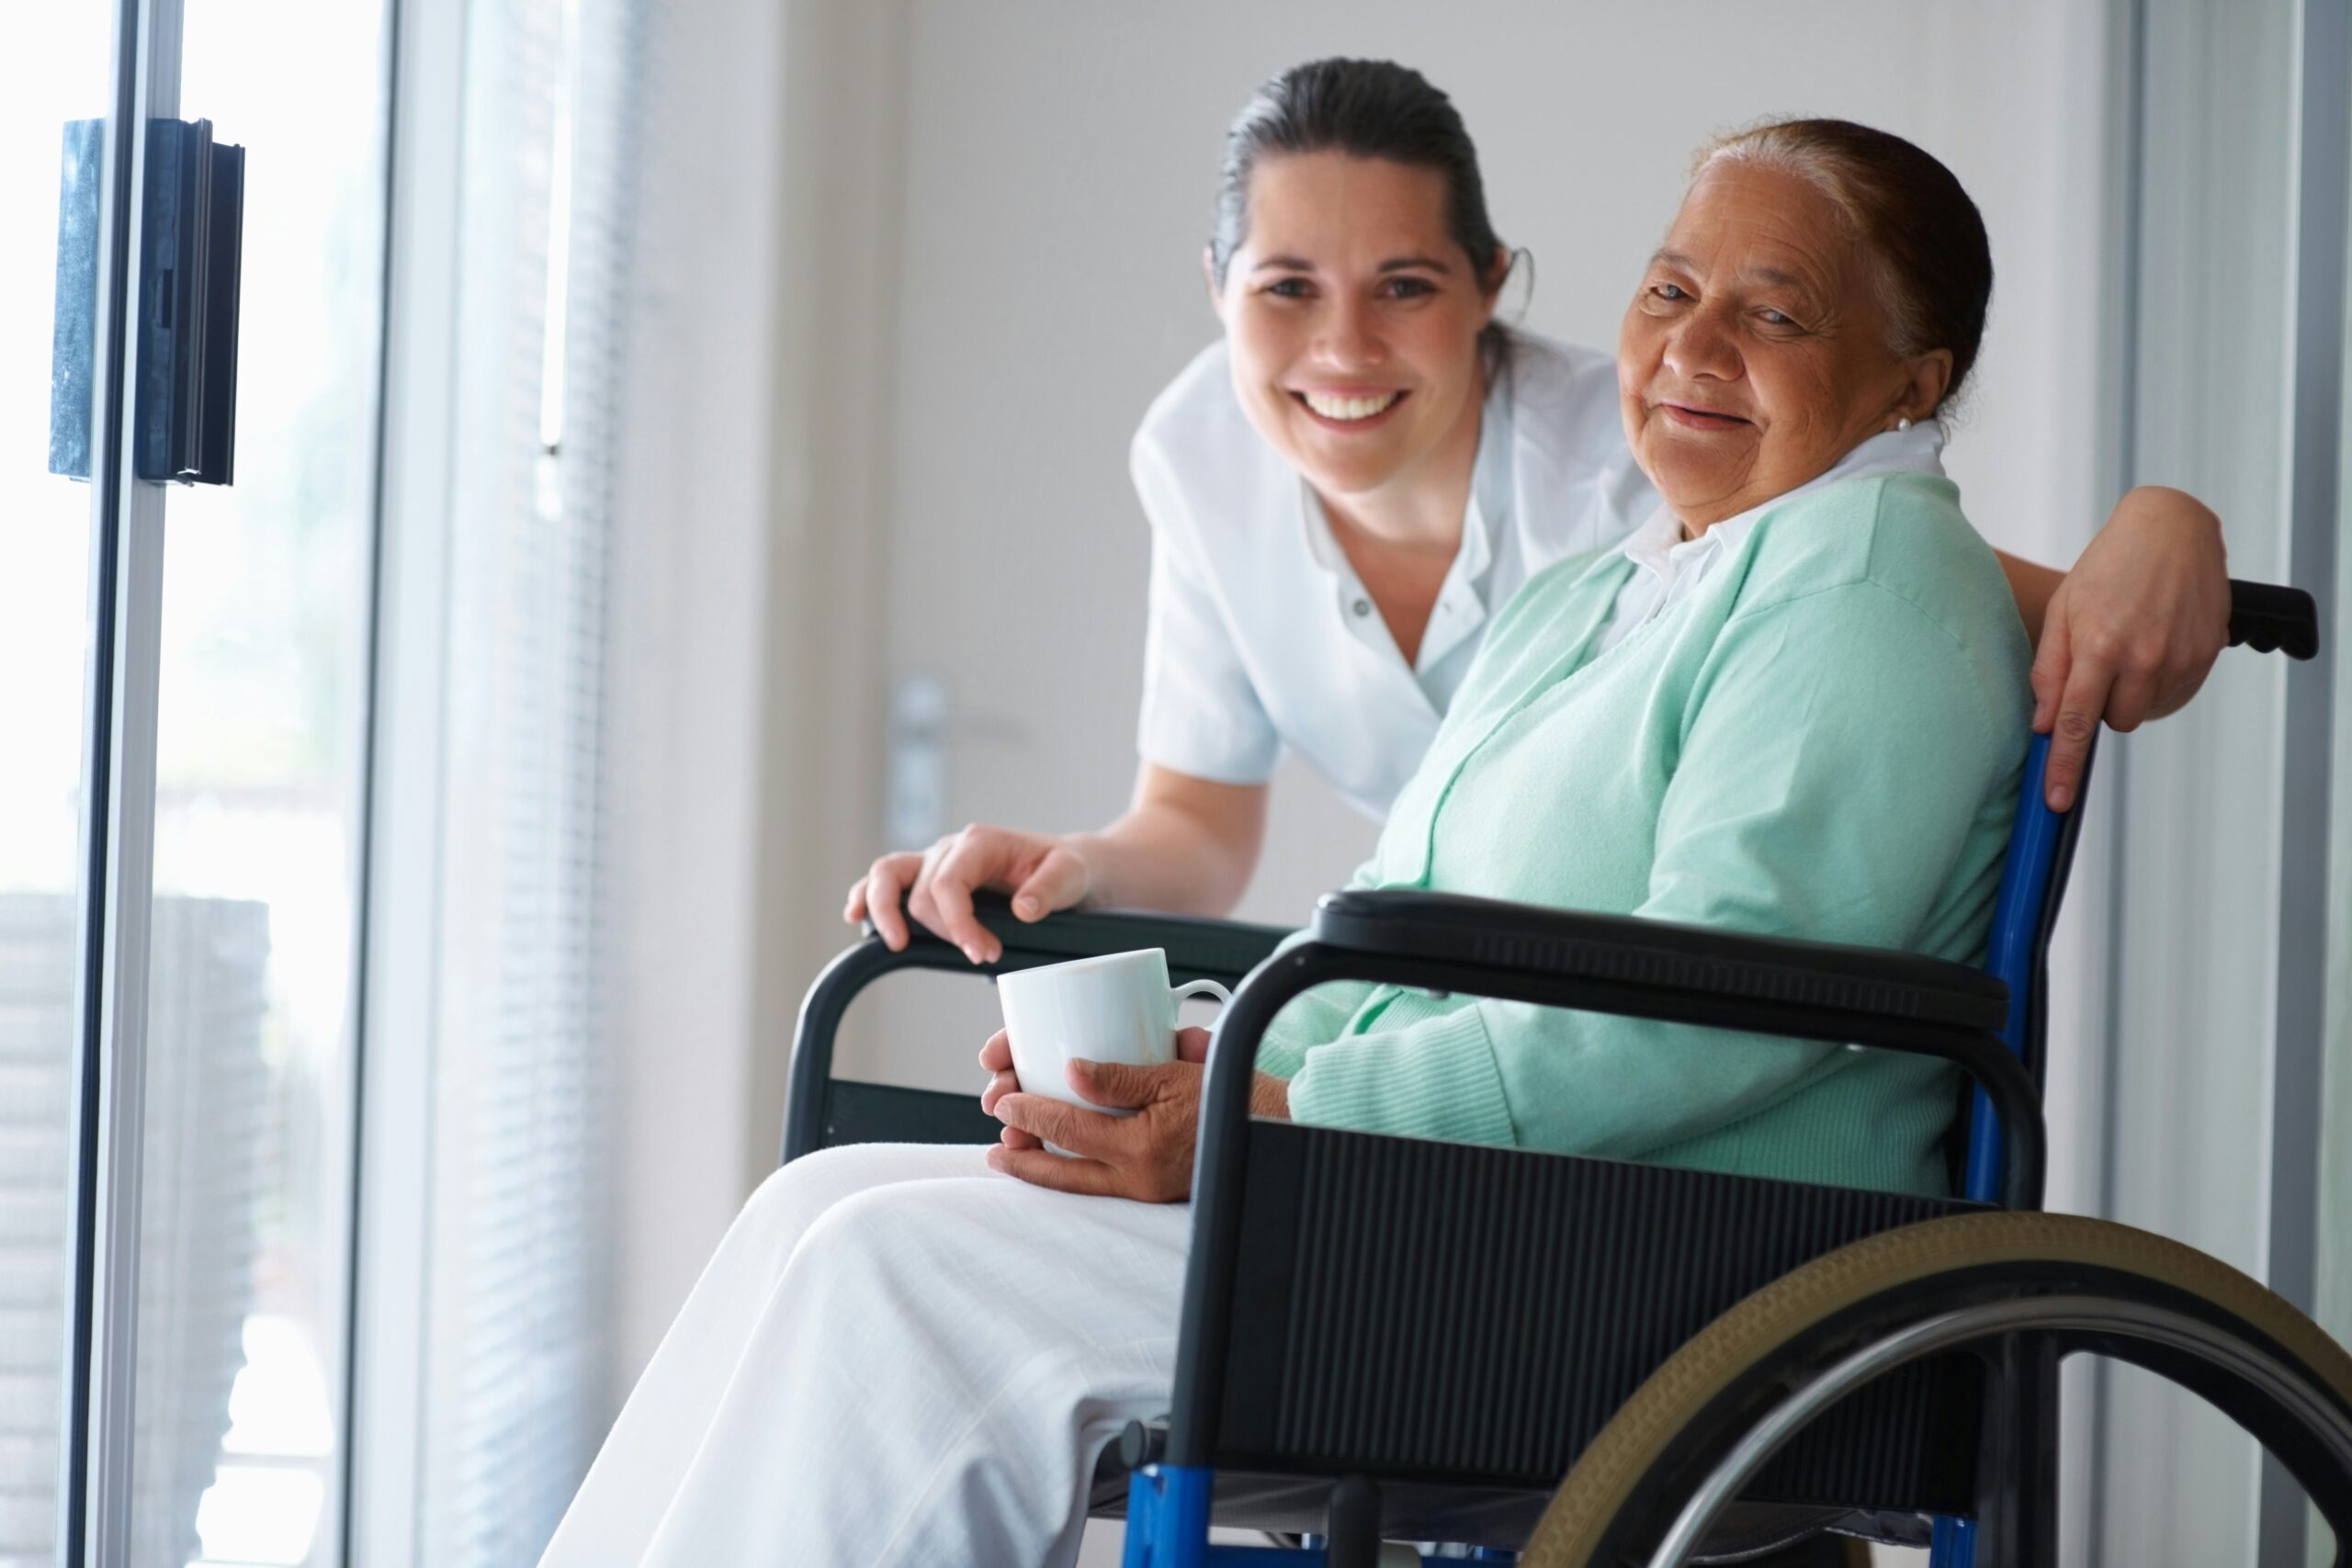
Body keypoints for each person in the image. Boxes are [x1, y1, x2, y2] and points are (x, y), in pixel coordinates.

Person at [543, 115, 2038, 1565]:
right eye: (1670, 289)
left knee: (902, 1274)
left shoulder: (1870, 579)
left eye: (1774, 313)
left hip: (1657, 1265)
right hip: (1454, 1190)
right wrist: (1205, 1069)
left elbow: (1724, 1009)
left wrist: (1296, 1113)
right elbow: (1386, 909)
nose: (1695, 347)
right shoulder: (1610, 592)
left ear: (1915, 380)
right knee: (822, 1202)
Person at [848, 58, 2228, 970]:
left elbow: (1908, 590)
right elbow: (1201, 824)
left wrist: (2166, 519)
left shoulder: (1649, 463)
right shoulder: (1201, 450)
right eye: (1284, 288)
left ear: (1492, 282)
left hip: (1549, 1040)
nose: (1341, 349)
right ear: (1216, 288)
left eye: (1403, 286)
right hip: (1425, 980)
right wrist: (1071, 870)